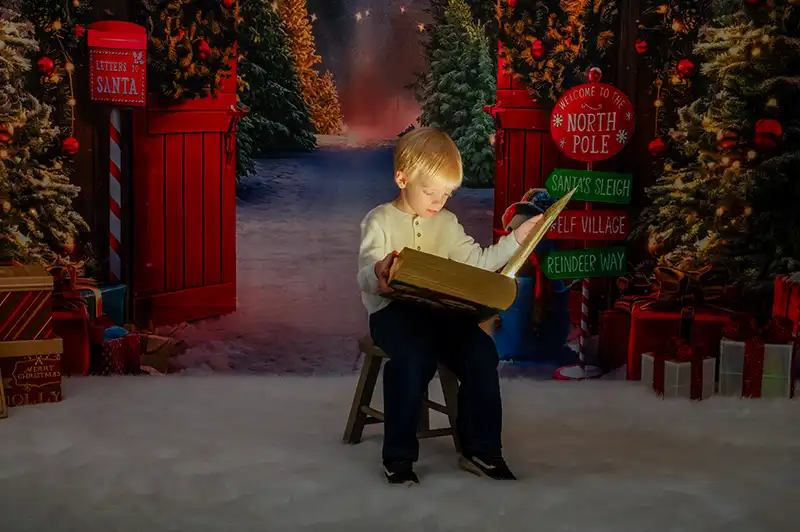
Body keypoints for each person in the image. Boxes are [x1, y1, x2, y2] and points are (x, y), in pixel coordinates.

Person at [356, 127, 542, 484]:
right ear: (402, 179)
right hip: (393, 313)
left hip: (442, 311)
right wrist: (379, 271)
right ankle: (398, 456)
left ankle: (482, 450)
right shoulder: (379, 220)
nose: (439, 201)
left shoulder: (446, 222)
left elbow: (479, 262)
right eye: (430, 192)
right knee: (413, 359)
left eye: (447, 193)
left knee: (481, 352)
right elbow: (365, 273)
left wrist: (518, 238)